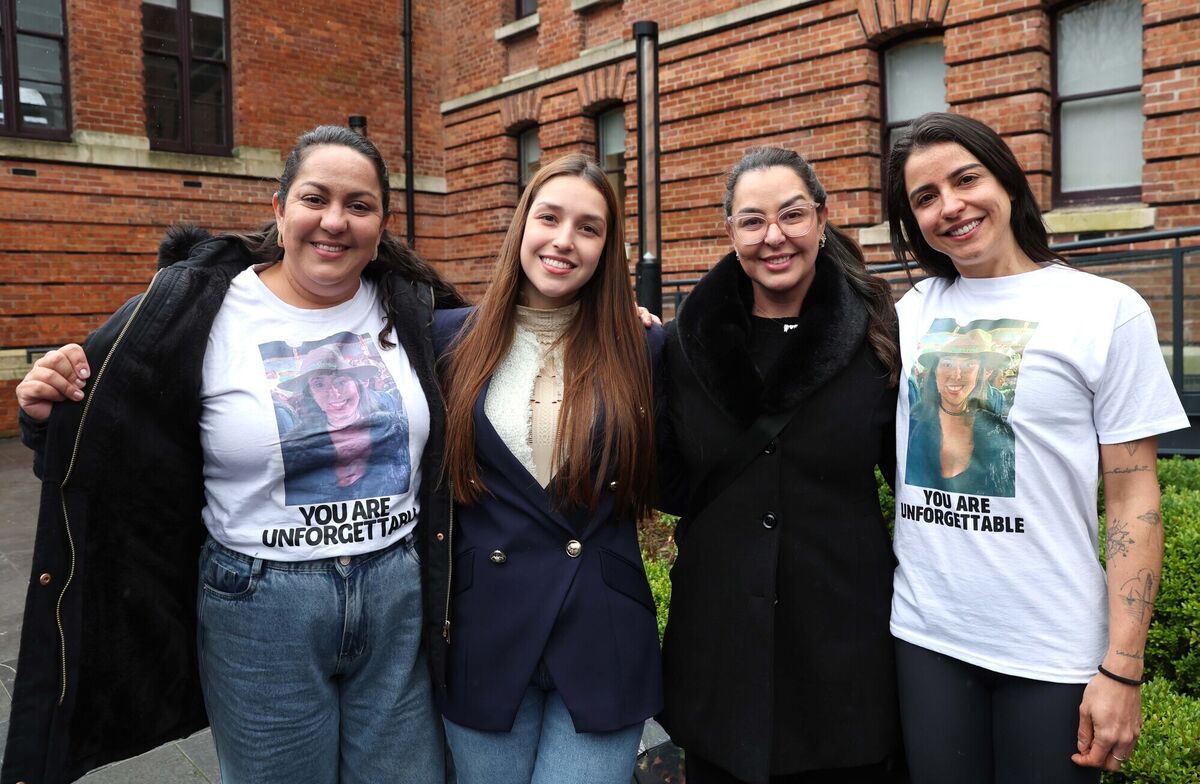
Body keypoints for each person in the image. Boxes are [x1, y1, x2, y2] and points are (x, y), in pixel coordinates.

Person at [5, 125, 464, 784]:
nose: (334, 221)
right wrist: (43, 410)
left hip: (397, 593)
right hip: (261, 606)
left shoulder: (414, 306)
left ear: (381, 223)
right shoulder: (195, 308)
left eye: (358, 205)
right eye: (315, 198)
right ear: (279, 209)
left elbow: (512, 344)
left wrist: (625, 329)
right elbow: (103, 427)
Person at [885, 111, 1189, 783]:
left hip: (1053, 650)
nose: (951, 207)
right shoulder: (907, 313)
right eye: (925, 197)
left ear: (1009, 182)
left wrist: (1123, 667)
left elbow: (1134, 493)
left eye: (966, 179)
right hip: (927, 637)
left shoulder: (1105, 309)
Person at [657, 146, 904, 784]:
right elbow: (666, 476)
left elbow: (910, 480)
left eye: (792, 215)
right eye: (752, 221)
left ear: (822, 219)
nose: (775, 237)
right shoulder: (683, 345)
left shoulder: (880, 336)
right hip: (720, 651)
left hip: (842, 649)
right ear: (730, 232)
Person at [429, 153, 663, 784]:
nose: (564, 240)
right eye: (550, 218)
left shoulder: (644, 349)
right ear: (522, 227)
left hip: (602, 632)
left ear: (607, 248)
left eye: (588, 228)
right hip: (483, 634)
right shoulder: (446, 339)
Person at [275, 342, 412, 504]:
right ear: (311, 395)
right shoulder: (295, 449)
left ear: (357, 386)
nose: (334, 392)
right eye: (319, 384)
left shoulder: (395, 429)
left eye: (341, 380)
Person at [906, 328, 1014, 496]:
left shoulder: (997, 432)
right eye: (947, 364)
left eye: (968, 364)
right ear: (935, 373)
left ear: (980, 374)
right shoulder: (910, 424)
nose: (956, 375)